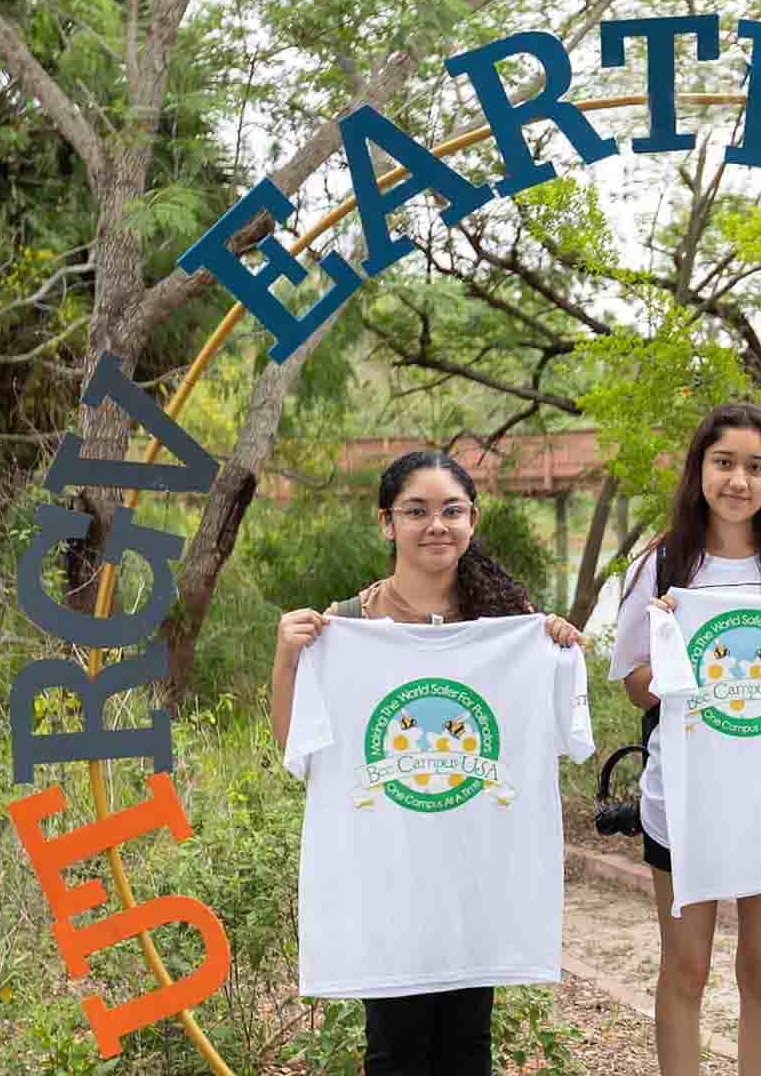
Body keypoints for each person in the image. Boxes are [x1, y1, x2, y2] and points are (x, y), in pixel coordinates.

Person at [269, 449, 580, 1076]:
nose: (435, 525)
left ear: (472, 520)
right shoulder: (345, 628)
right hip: (387, 876)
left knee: (468, 1048)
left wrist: (554, 647)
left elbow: (553, 734)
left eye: (451, 511)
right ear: (386, 523)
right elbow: (294, 747)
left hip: (475, 875)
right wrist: (287, 659)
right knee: (395, 1051)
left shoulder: (505, 625)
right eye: (416, 511)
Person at [608, 402, 761, 1075]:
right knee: (685, 969)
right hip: (683, 803)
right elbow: (635, 683)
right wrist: (677, 652)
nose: (738, 480)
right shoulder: (662, 564)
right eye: (724, 463)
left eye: (755, 466)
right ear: (699, 470)